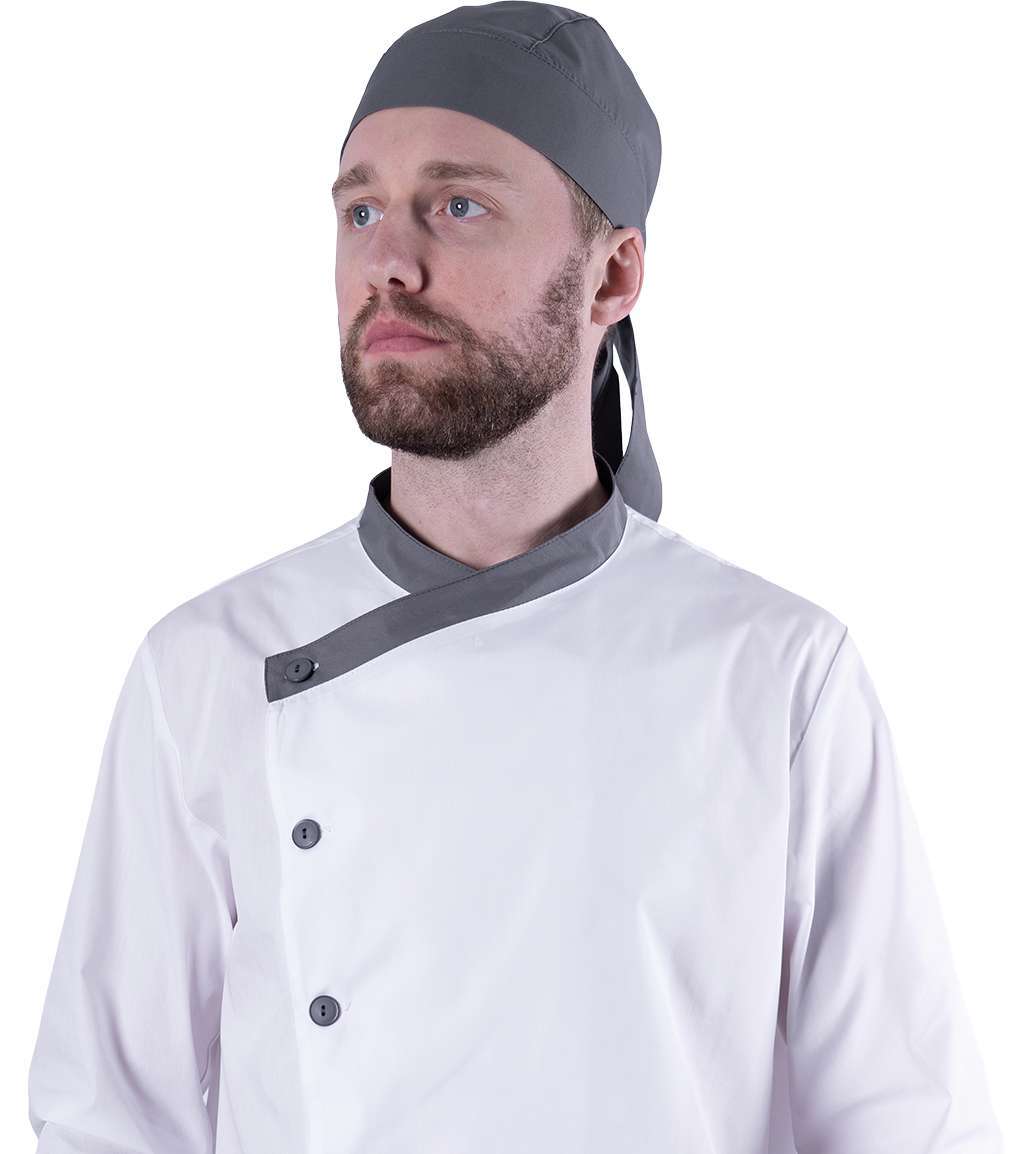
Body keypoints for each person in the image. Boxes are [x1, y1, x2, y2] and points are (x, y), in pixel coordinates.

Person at [27, 4, 1004, 1153]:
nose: (390, 262)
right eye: (360, 209)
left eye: (459, 205)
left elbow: (911, 1125)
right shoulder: (207, 663)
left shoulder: (776, 670)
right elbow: (106, 1116)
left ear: (613, 274)